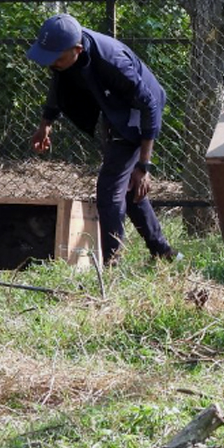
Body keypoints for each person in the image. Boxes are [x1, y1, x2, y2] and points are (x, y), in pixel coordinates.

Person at [26, 13, 179, 264]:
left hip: (138, 113)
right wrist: (46, 124)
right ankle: (162, 252)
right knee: (128, 189)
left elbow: (149, 105)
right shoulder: (66, 55)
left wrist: (144, 164)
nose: (51, 64)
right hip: (114, 110)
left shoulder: (112, 61)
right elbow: (58, 84)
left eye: (56, 59)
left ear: (76, 49)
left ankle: (112, 263)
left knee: (108, 190)